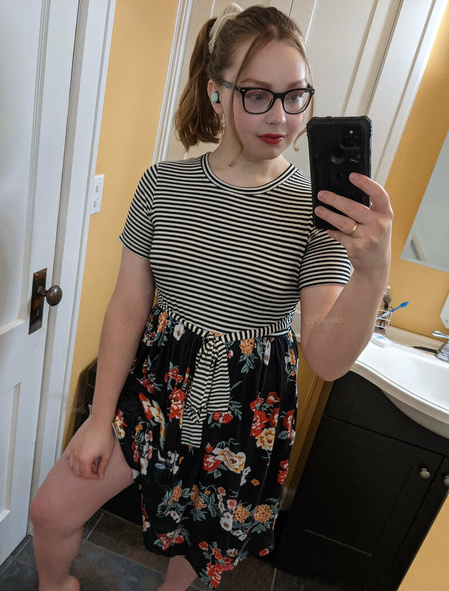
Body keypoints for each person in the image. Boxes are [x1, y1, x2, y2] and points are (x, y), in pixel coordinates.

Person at [30, 4, 393, 591]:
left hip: (249, 407)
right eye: (257, 94)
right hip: (157, 384)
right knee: (50, 510)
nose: (280, 116)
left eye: (295, 96)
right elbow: (127, 306)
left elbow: (326, 360)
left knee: (199, 545)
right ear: (217, 93)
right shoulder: (163, 185)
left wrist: (372, 271)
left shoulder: (318, 214)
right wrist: (99, 419)